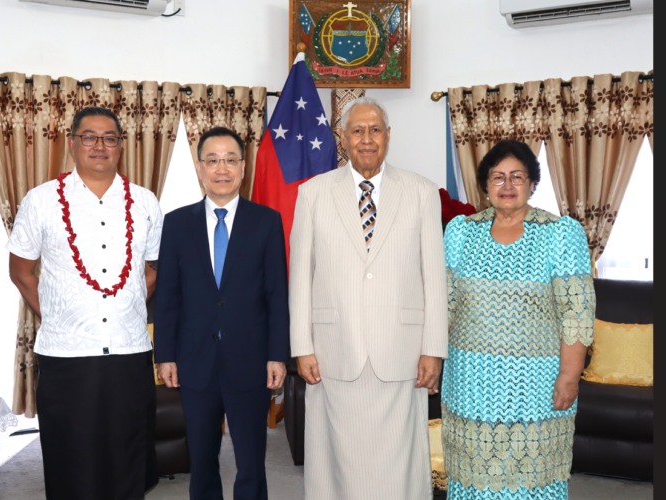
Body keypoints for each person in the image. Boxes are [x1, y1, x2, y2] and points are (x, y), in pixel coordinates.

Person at [289, 96, 448, 500]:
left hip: (402, 351)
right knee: (333, 460)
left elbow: (433, 276)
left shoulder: (422, 192)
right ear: (343, 138)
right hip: (333, 350)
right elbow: (301, 277)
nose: (366, 138)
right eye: (357, 130)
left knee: (400, 461)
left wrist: (434, 349)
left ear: (388, 136)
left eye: (374, 130)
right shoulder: (312, 194)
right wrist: (301, 346)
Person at [8, 107, 163, 500]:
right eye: (89, 137)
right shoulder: (40, 200)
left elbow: (153, 271)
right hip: (65, 353)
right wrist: (57, 313)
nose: (99, 145)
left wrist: (123, 307)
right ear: (72, 143)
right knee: (70, 458)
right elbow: (21, 271)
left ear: (121, 146)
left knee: (127, 456)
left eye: (109, 137)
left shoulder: (145, 203)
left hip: (128, 351)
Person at [442, 139, 595, 500]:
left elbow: (576, 312)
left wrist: (569, 376)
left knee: (532, 477)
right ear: (484, 185)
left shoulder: (559, 233)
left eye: (517, 177)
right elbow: (443, 304)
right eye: (498, 177)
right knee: (473, 474)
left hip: (536, 387)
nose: (507, 186)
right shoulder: (461, 232)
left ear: (532, 183)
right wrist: (430, 359)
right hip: (469, 385)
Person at [153, 127, 290, 500]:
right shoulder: (177, 223)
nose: (221, 169)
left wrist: (278, 353)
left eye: (230, 160)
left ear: (243, 168)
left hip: (249, 359)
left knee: (250, 459)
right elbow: (167, 295)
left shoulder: (266, 221)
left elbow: (278, 295)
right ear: (200, 168)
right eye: (212, 160)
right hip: (194, 360)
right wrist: (164, 355)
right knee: (202, 457)